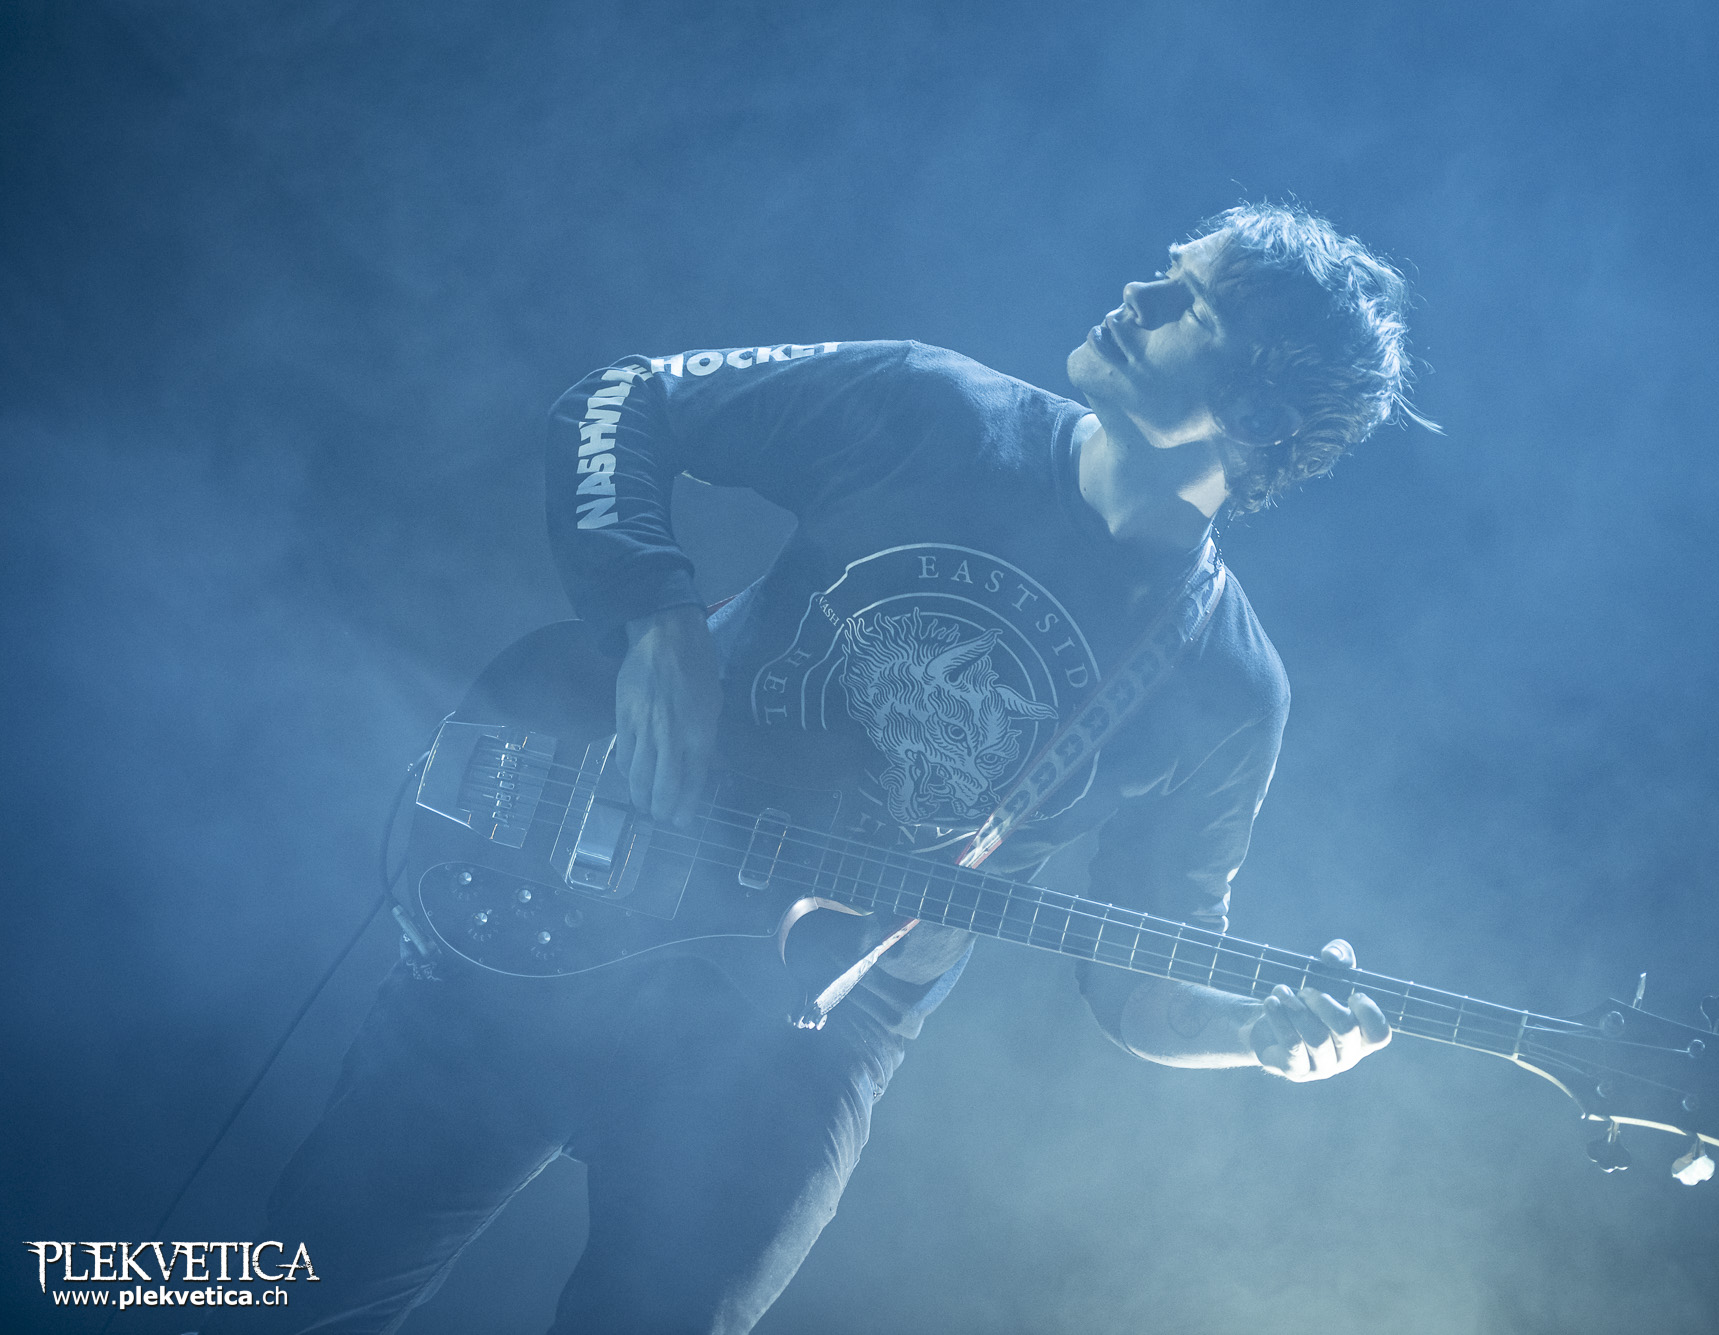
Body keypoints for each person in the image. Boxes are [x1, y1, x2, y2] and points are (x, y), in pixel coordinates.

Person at [264, 201, 1427, 1334]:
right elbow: (617, 399)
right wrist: (654, 619)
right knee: (274, 1300)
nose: (1139, 293)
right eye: (1167, 267)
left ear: (1255, 412)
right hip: (574, 881)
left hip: (785, 1050)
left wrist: (1259, 1038)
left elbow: (1142, 989)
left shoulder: (1222, 684)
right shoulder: (930, 406)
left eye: (1192, 307)